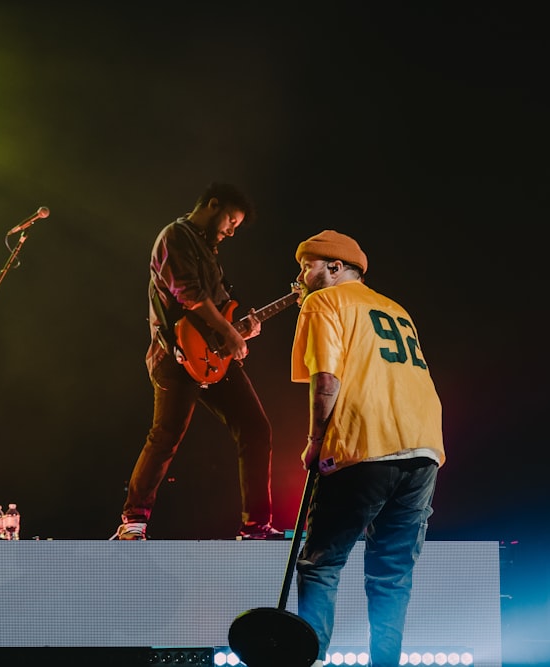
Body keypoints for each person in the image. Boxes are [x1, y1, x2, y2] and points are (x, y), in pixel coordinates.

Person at [289, 230, 445, 667]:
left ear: (334, 268)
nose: (301, 276)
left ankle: (310, 659)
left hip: (366, 441)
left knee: (321, 563)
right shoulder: (395, 308)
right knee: (392, 576)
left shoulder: (323, 302)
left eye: (308, 266)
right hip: (423, 445)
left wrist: (315, 442)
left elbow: (326, 380)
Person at [111, 182, 283, 541]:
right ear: (213, 205)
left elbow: (217, 308)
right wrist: (231, 334)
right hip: (173, 356)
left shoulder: (209, 249)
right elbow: (189, 296)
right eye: (231, 221)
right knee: (166, 436)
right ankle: (133, 522)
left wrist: (239, 330)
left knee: (255, 428)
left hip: (212, 358)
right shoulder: (174, 236)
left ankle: (256, 528)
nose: (232, 231)